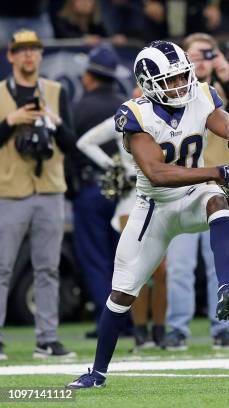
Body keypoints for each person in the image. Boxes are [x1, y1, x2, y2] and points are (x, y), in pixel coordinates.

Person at [66, 40, 229, 389]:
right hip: (153, 207)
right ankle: (98, 371)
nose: (179, 85)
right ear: (148, 83)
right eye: (170, 80)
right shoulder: (135, 114)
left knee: (217, 201)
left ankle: (226, 287)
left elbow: (219, 118)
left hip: (191, 195)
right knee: (122, 292)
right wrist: (214, 171)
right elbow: (158, 173)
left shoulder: (200, 93)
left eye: (182, 76)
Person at [161, 33, 229, 352]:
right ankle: (177, 328)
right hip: (181, 187)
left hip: (218, 187)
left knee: (219, 265)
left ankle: (223, 328)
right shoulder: (171, 91)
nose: (201, 61)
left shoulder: (221, 91)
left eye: (208, 54)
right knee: (180, 265)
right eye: (195, 55)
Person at [0, 30, 76, 360]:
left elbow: (72, 144)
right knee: (2, 268)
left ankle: (47, 338)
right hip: (9, 190)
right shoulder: (1, 94)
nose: (29, 55)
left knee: (48, 268)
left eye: (34, 49)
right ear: (11, 56)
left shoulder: (56, 92)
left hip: (49, 189)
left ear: (41, 55)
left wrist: (53, 122)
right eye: (22, 50)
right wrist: (11, 121)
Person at [77, 86, 168, 350]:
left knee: (162, 271)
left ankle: (160, 331)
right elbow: (85, 142)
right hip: (132, 199)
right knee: (137, 269)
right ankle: (140, 332)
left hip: (162, 198)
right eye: (139, 92)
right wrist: (114, 167)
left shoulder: (168, 116)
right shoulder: (126, 116)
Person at [69, 44, 124, 340]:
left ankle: (108, 323)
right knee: (125, 259)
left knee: (95, 258)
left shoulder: (79, 108)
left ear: (89, 77)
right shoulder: (124, 104)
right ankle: (130, 321)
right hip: (125, 192)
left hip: (91, 189)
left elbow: (69, 152)